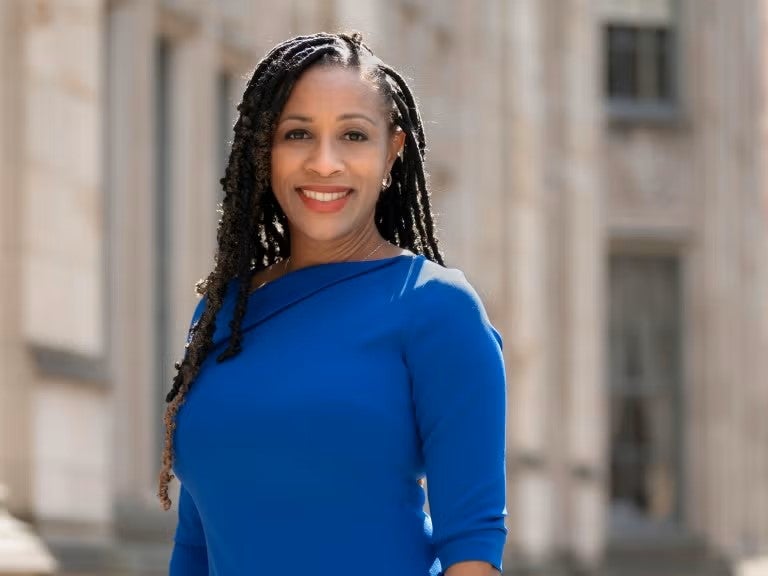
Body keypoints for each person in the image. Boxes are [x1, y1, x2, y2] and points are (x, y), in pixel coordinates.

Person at [157, 32, 507, 576]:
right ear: (263, 151)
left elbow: (473, 548)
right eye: (297, 134)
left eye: (352, 135)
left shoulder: (437, 309)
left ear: (392, 152)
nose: (325, 163)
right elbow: (197, 542)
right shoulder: (223, 314)